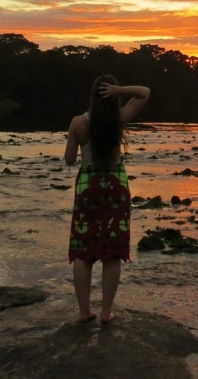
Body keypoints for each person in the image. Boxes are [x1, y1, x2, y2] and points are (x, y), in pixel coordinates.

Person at [64, 75, 150, 323]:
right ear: (113, 97)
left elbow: (70, 160)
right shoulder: (118, 119)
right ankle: (105, 313)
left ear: (92, 96)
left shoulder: (78, 122)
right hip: (115, 186)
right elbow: (144, 91)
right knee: (112, 253)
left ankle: (83, 312)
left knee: (83, 252)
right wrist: (120, 89)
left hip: (88, 187)